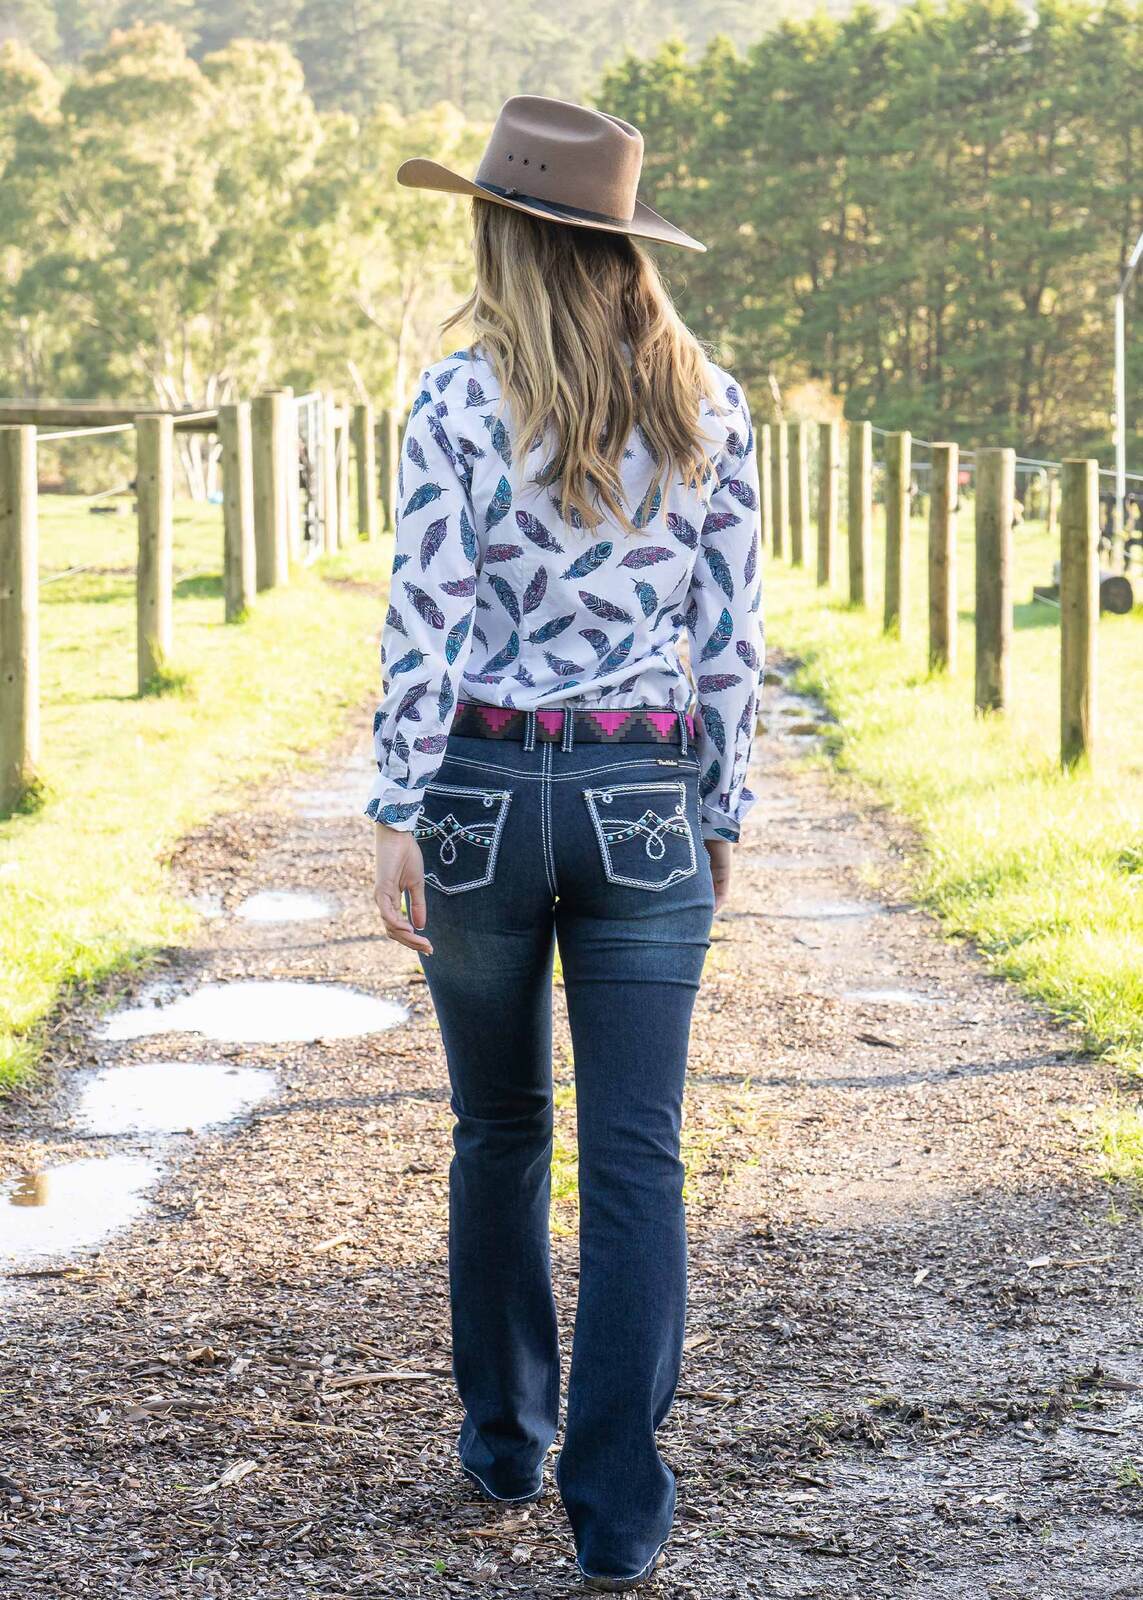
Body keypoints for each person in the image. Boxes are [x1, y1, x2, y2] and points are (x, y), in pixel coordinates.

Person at [365, 94, 764, 1593]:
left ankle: (503, 1440)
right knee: (638, 1153)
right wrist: (719, 809)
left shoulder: (459, 400)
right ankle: (618, 1507)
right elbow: (731, 637)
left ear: (503, 235)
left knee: (500, 1128)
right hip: (641, 793)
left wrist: (395, 805)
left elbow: (425, 613)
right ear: (619, 244)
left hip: (476, 788)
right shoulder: (706, 402)